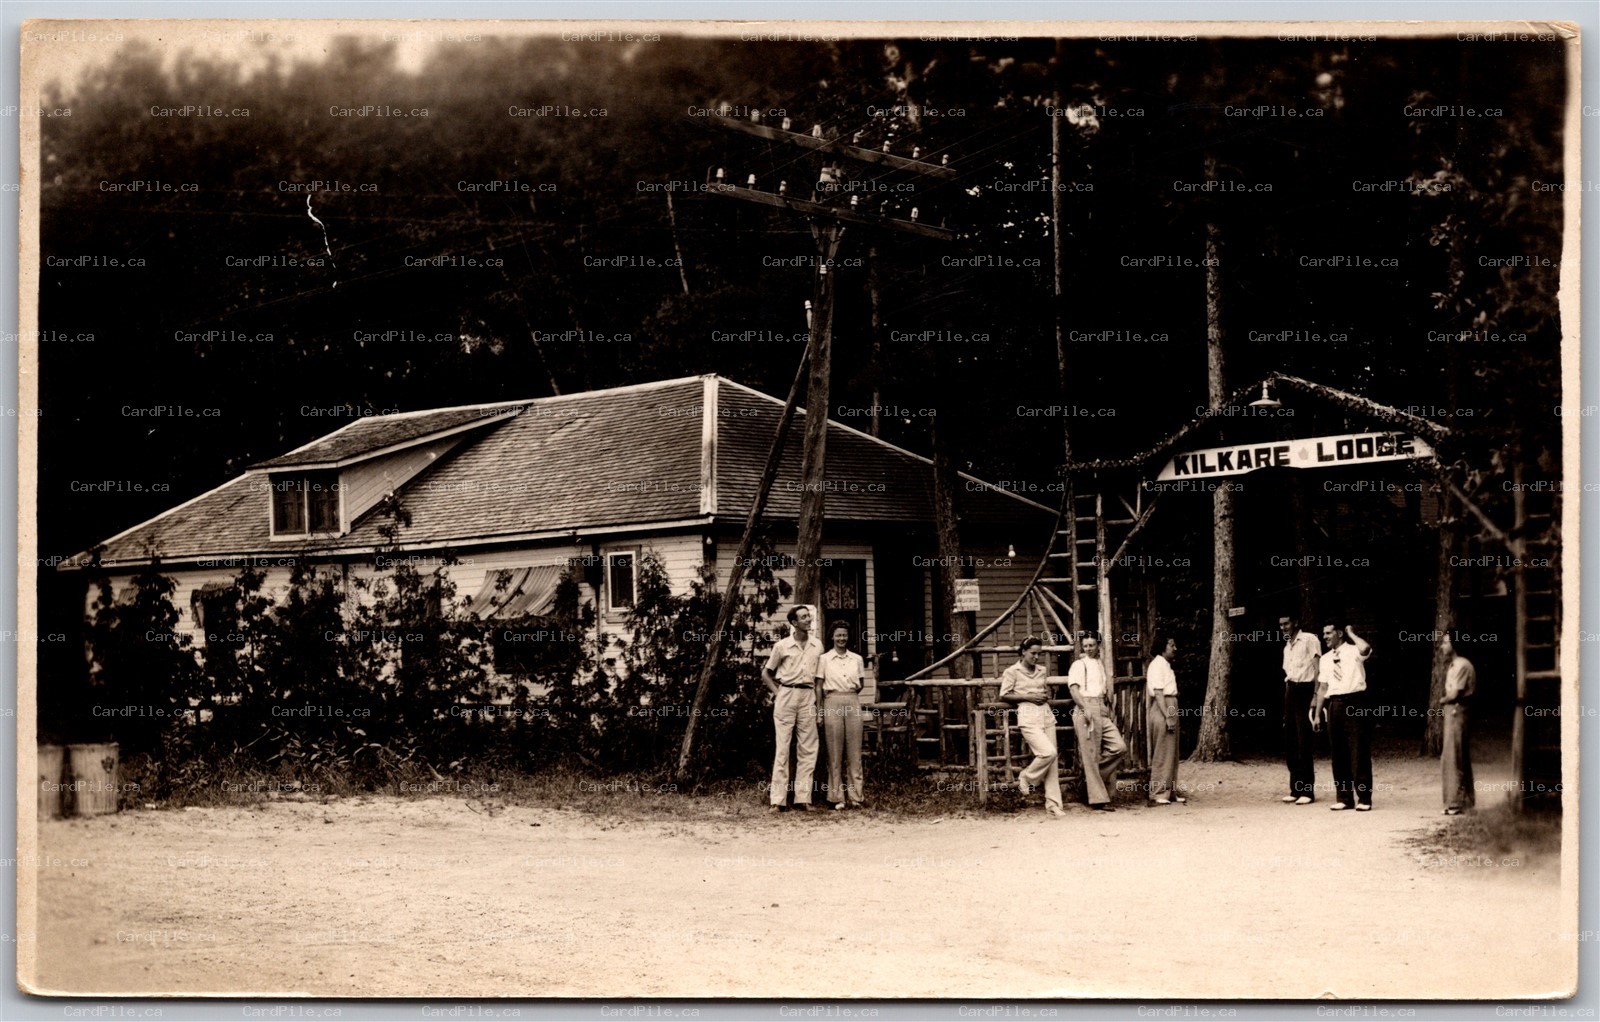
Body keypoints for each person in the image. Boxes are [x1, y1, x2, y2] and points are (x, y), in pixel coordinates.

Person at [997, 636, 1067, 818]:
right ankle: (1026, 777)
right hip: (1027, 716)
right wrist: (1028, 697)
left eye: (1039, 654)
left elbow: (1043, 691)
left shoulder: (1042, 670)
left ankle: (1053, 804)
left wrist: (1043, 697)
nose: (1036, 657)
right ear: (1023, 652)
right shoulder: (1012, 671)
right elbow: (1004, 695)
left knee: (1052, 762)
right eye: (1033, 653)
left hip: (1046, 715)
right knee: (1047, 753)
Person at [763, 604, 823, 813]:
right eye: (804, 617)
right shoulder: (782, 646)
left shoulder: (817, 645)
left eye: (809, 616)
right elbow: (766, 674)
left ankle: (802, 799)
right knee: (783, 748)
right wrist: (779, 693)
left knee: (808, 748)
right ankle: (777, 800)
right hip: (787, 694)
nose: (808, 620)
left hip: (808, 695)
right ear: (794, 623)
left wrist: (818, 704)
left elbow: (818, 680)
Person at [1312, 621, 1375, 811]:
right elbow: (1323, 688)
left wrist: (1351, 633)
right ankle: (1344, 797)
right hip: (1335, 705)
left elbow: (1366, 648)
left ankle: (1364, 798)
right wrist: (1317, 715)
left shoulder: (1353, 650)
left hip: (1355, 703)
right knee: (1338, 753)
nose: (1325, 637)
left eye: (1329, 633)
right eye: (1324, 634)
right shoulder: (1324, 659)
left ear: (1339, 633)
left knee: (1358, 750)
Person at [1067, 631, 1127, 811]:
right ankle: (1098, 799)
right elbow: (1074, 690)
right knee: (1091, 754)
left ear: (1098, 645)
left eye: (1091, 645)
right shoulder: (1079, 665)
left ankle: (1090, 779)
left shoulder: (1101, 664)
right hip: (1086, 707)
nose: (1088, 649)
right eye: (1085, 645)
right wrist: (1085, 709)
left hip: (1102, 708)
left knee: (1119, 747)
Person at [817, 621, 867, 810]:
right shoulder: (824, 659)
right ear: (832, 637)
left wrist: (849, 696)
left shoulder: (856, 659)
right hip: (832, 700)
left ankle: (856, 796)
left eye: (844, 635)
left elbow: (860, 684)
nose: (841, 639)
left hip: (852, 699)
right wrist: (821, 711)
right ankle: (836, 797)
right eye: (838, 635)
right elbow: (819, 686)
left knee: (854, 751)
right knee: (834, 750)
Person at [1280, 614, 1322, 805]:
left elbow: (1317, 670)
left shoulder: (1309, 639)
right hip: (1291, 691)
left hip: (1306, 691)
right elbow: (1289, 674)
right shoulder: (1287, 646)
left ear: (1295, 622)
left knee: (1303, 739)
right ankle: (1295, 789)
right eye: (1280, 625)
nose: (1283, 627)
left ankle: (1307, 791)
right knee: (1290, 740)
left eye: (1286, 623)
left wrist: (1315, 696)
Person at [1439, 630, 1476, 815]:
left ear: (1454, 644)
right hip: (1452, 711)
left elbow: (1455, 693)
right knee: (1453, 755)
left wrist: (1443, 700)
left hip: (1457, 710)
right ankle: (1465, 799)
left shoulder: (1462, 665)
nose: (1442, 646)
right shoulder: (1454, 665)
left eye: (1446, 642)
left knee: (1454, 756)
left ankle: (1456, 801)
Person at [1145, 636, 1185, 806]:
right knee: (1162, 751)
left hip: (1171, 704)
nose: (1174, 648)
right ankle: (1158, 793)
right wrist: (1168, 716)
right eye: (1171, 645)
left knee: (1172, 752)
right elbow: (1159, 693)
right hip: (1163, 706)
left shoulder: (1165, 665)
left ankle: (1170, 791)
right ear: (1162, 647)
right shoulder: (1157, 665)